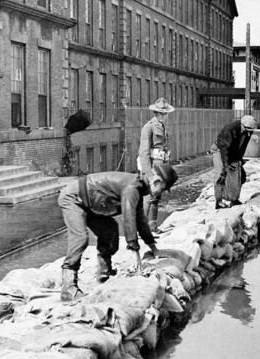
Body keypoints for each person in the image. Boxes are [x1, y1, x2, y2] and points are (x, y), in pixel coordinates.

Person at [57, 164, 178, 302]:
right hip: (74, 198)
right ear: (157, 181)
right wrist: (134, 250)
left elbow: (140, 222)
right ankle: (68, 288)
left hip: (90, 202)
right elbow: (128, 217)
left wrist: (154, 249)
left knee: (110, 230)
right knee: (80, 238)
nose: (160, 193)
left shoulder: (140, 189)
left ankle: (103, 274)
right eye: (162, 189)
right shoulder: (132, 188)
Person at [138, 98, 175, 234]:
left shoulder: (162, 126)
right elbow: (143, 152)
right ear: (156, 113)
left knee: (156, 196)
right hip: (153, 166)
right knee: (149, 197)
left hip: (161, 165)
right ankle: (142, 230)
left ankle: (152, 227)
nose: (165, 115)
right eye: (162, 113)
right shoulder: (148, 127)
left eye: (165, 113)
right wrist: (149, 173)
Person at [211, 115, 257, 209]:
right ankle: (218, 201)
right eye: (247, 130)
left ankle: (234, 199)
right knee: (221, 174)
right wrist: (226, 165)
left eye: (250, 131)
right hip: (220, 151)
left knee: (240, 176)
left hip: (233, 152)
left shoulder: (248, 131)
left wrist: (239, 160)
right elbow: (224, 149)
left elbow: (242, 147)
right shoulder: (230, 129)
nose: (249, 133)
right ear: (242, 125)